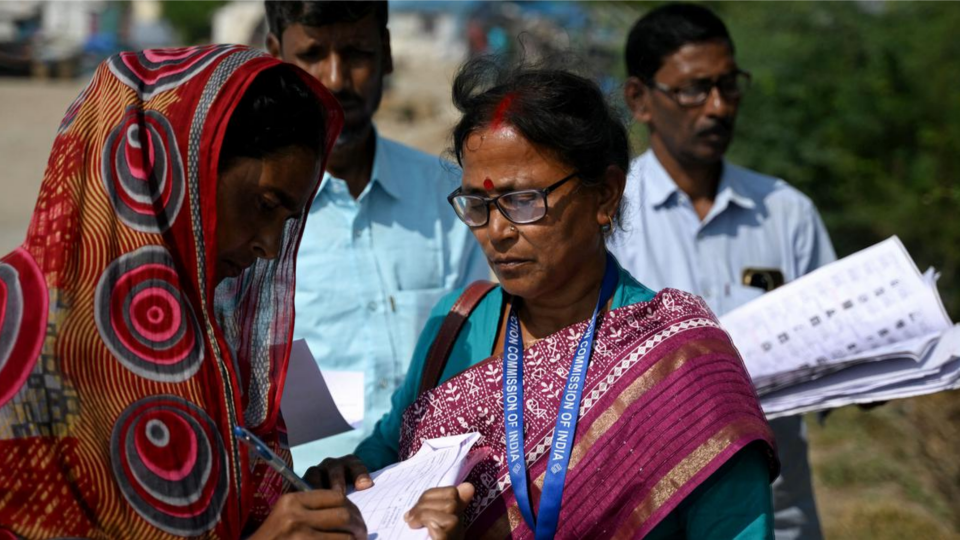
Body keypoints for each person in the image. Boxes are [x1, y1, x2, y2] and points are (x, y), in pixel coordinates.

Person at [327, 57, 780, 539]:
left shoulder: (680, 362)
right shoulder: (459, 324)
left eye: (523, 200)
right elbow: (386, 454)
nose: (496, 231)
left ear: (605, 195)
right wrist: (350, 478)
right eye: (477, 204)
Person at [0, 45, 367, 538]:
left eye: (286, 221)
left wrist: (310, 494)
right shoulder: (14, 330)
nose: (269, 246)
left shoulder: (214, 345)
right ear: (179, 170)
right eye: (263, 205)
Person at [612, 4, 836, 539]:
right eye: (694, 90)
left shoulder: (787, 212)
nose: (718, 106)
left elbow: (838, 346)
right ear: (639, 100)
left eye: (728, 85)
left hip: (779, 516)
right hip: (652, 520)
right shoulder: (608, 218)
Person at [264, 0, 490, 469]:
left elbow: (476, 343)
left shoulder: (447, 195)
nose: (335, 79)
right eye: (312, 55)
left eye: (356, 53)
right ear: (275, 56)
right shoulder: (259, 215)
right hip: (311, 487)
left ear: (386, 53)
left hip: (442, 479)